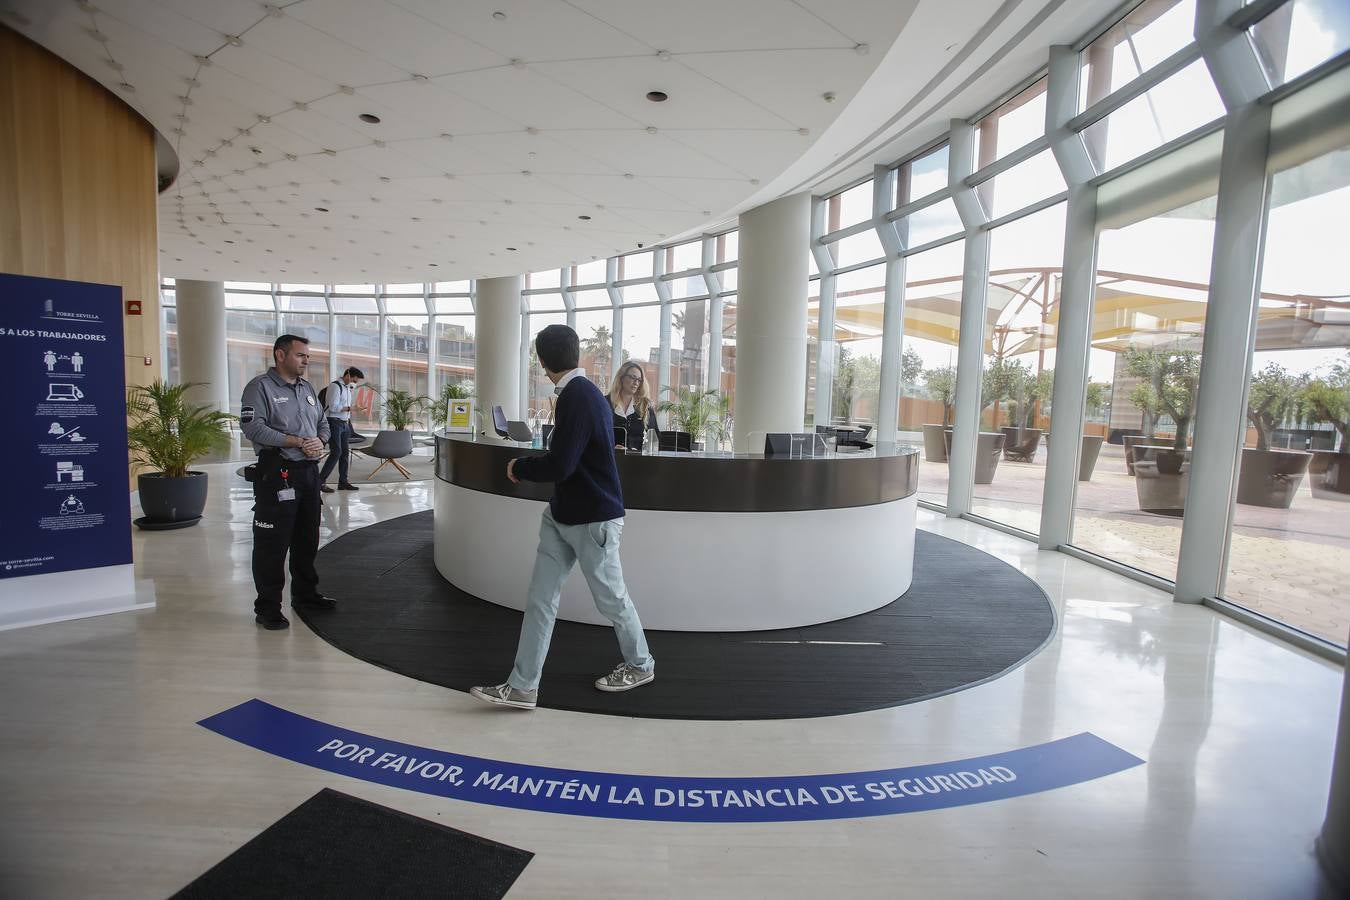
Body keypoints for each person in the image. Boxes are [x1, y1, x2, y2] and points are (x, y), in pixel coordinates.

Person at [471, 324, 655, 709]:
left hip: (593, 519)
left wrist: (520, 467)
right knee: (540, 600)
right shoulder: (582, 394)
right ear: (573, 354)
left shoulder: (579, 396)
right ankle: (523, 686)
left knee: (611, 599)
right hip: (562, 515)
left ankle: (641, 664)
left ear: (541, 361)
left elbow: (563, 464)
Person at [239, 334, 335, 631]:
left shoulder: (306, 389)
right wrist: (295, 441)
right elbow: (252, 427)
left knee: (307, 539)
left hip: (308, 473)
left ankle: (305, 595)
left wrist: (319, 441)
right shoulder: (260, 388)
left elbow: (323, 422)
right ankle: (267, 607)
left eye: (307, 356)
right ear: (280, 355)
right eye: (300, 355)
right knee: (272, 544)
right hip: (277, 473)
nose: (306, 360)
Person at [318, 366, 364, 494]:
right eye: (354, 380)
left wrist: (352, 410)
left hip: (344, 424)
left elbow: (345, 407)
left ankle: (343, 482)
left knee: (344, 453)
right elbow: (333, 407)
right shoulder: (335, 386)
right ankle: (319, 482)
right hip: (333, 422)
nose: (355, 383)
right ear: (348, 375)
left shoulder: (348, 389)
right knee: (336, 452)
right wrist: (351, 409)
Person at [605, 360, 659, 452]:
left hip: (636, 461)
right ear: (621, 377)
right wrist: (611, 447)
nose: (636, 383)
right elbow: (596, 435)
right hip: (610, 458)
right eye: (632, 377)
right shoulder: (605, 403)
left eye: (639, 379)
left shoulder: (645, 405)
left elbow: (655, 437)